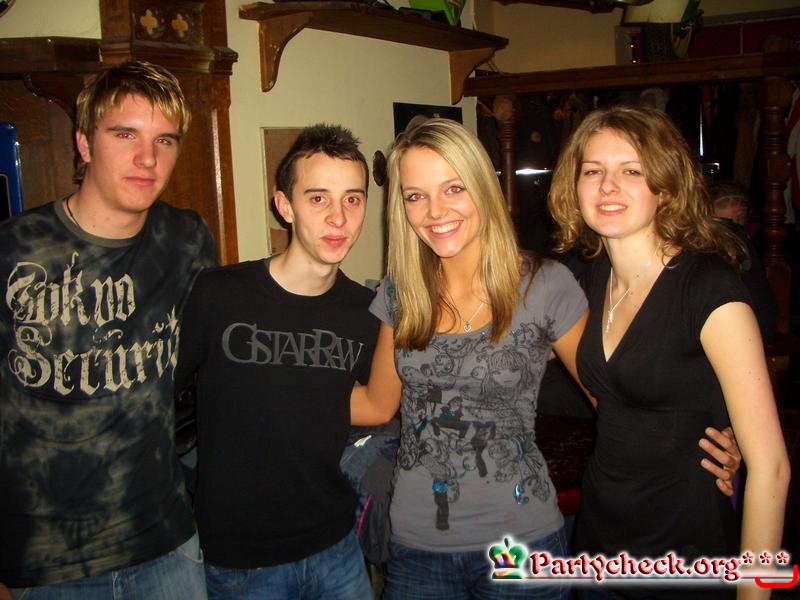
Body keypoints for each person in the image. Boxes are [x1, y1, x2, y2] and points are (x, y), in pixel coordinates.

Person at [349, 117, 742, 600]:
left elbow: (616, 399)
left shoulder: (543, 284)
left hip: (522, 543)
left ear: (481, 188)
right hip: (415, 546)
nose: (435, 211)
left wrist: (712, 441)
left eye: (453, 188)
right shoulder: (400, 293)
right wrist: (278, 393)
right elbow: (376, 405)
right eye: (415, 196)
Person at [548, 105, 790, 598]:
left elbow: (772, 468)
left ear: (666, 188)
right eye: (592, 171)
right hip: (598, 544)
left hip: (684, 551)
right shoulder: (596, 277)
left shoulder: (707, 289)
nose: (607, 186)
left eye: (631, 171)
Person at [0, 61, 217, 599]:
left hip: (167, 544)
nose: (148, 158)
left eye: (165, 140)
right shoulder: (13, 251)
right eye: (125, 135)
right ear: (84, 143)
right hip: (48, 565)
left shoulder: (186, 240)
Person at [174, 123, 379, 599]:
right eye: (318, 198)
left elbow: (373, 405)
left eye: (352, 199)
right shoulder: (219, 294)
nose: (338, 218)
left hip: (336, 547)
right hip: (241, 562)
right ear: (284, 206)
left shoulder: (366, 313)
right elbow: (151, 403)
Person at [709, 180, 779, 343]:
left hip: (749, 325)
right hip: (755, 321)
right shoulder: (733, 235)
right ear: (738, 213)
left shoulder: (727, 236)